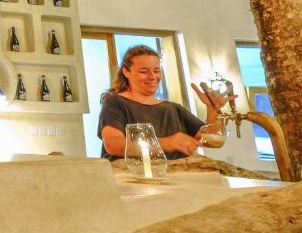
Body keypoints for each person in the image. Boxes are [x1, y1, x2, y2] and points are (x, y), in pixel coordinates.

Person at [98, 45, 232, 160]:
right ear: (126, 72)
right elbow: (114, 145)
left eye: (156, 71)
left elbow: (212, 141)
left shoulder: (173, 109)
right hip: (132, 179)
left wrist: (213, 108)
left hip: (177, 178)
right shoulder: (115, 102)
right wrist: (168, 143)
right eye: (144, 71)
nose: (152, 77)